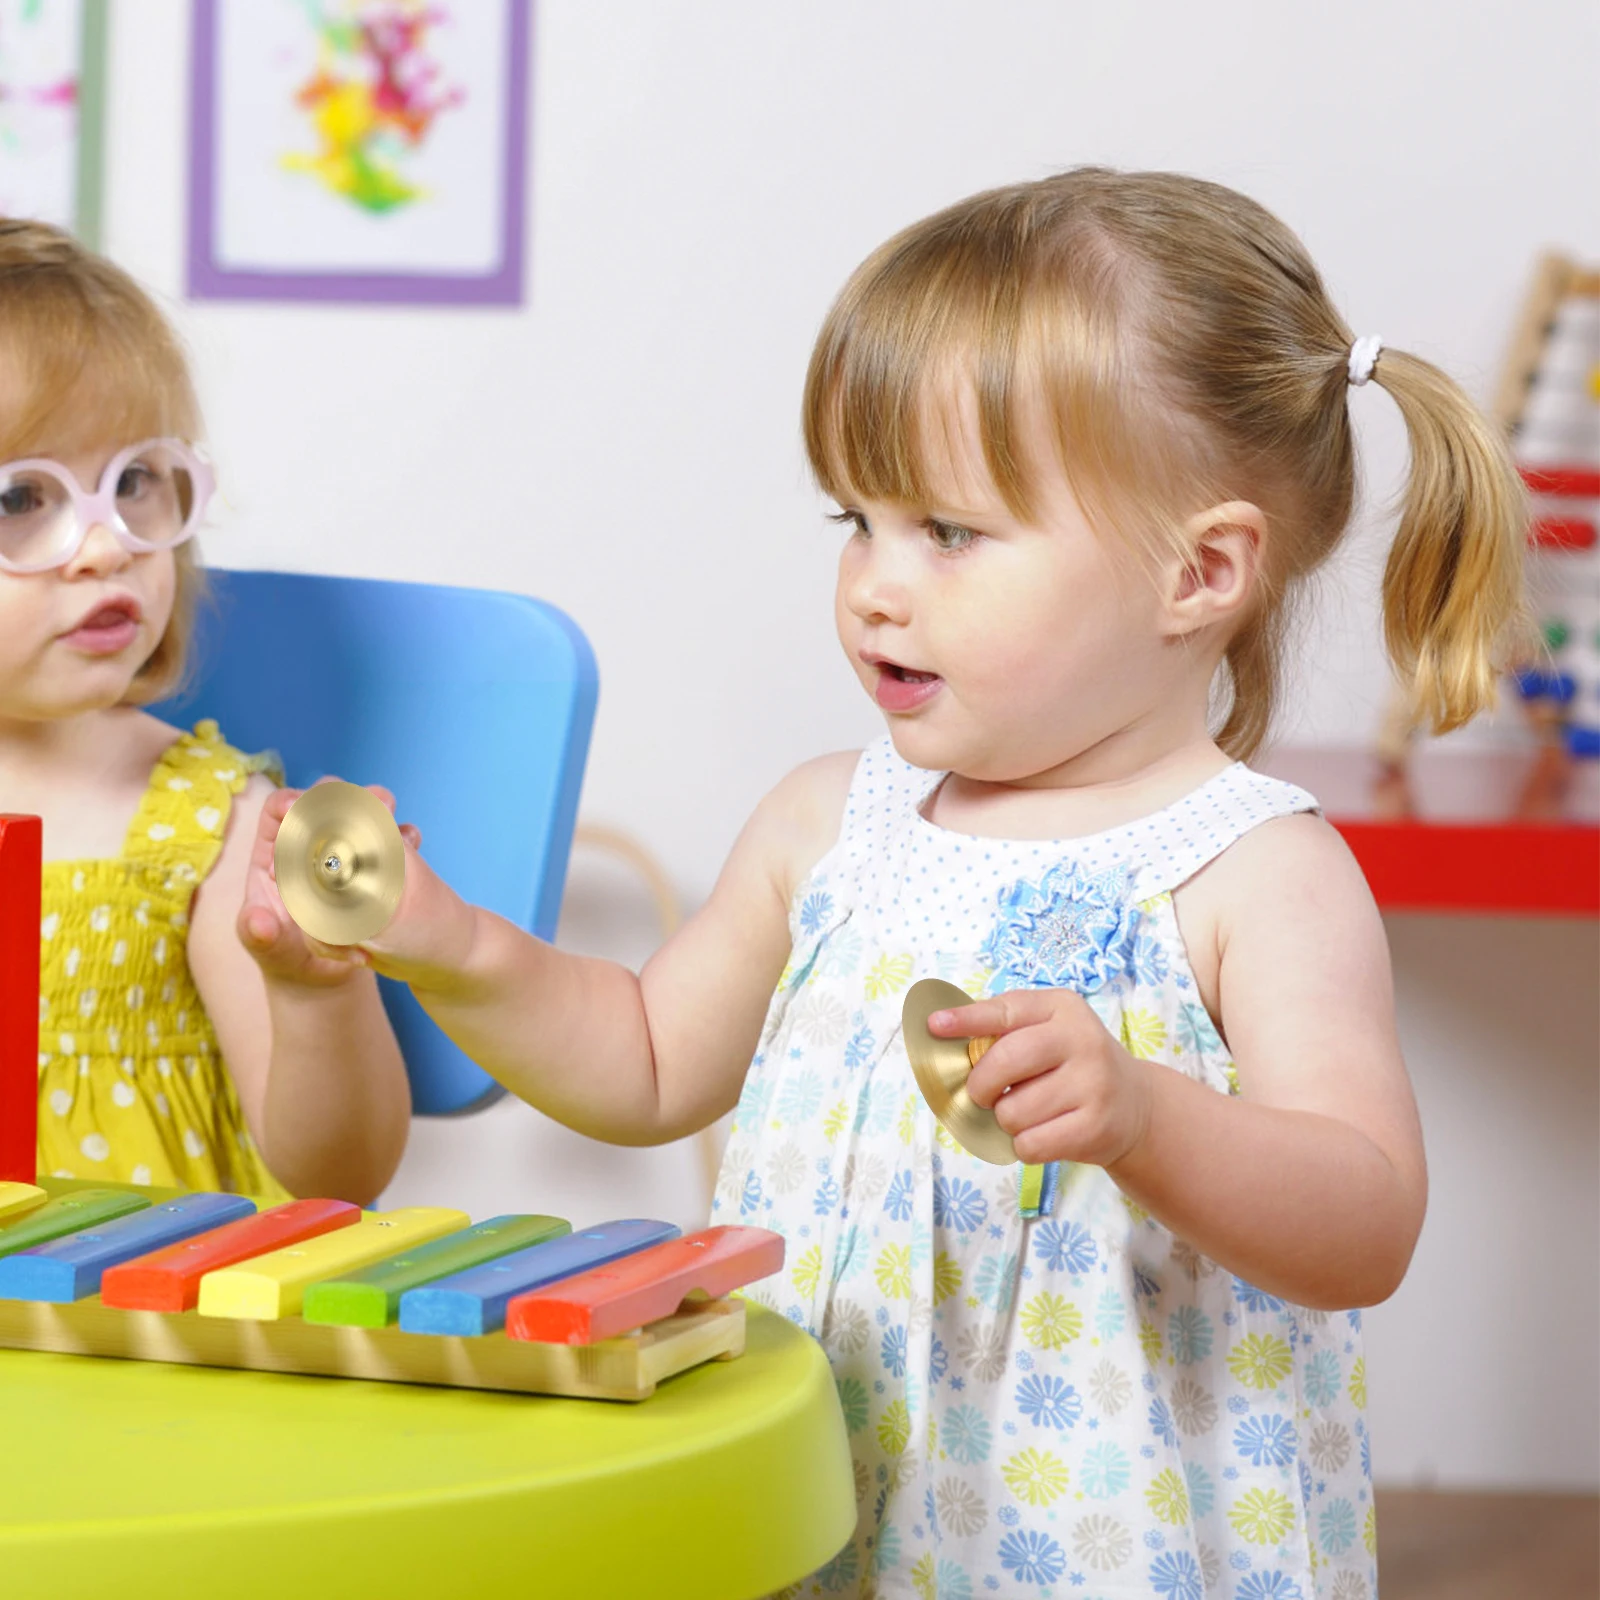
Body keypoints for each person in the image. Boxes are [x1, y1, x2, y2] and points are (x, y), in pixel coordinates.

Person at [298, 170, 1525, 1596]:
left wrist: (1143, 1116)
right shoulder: (829, 825)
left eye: (947, 531)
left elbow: (1366, 1218)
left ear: (1199, 573)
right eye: (856, 522)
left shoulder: (1253, 870)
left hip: (1098, 1548)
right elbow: (639, 1064)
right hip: (827, 1496)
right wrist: (447, 944)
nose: (877, 585)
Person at [0, 219, 410, 1205]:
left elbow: (338, 1177)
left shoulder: (206, 822)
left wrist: (316, 989)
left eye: (133, 483)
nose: (104, 547)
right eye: (20, 499)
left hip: (136, 1333)